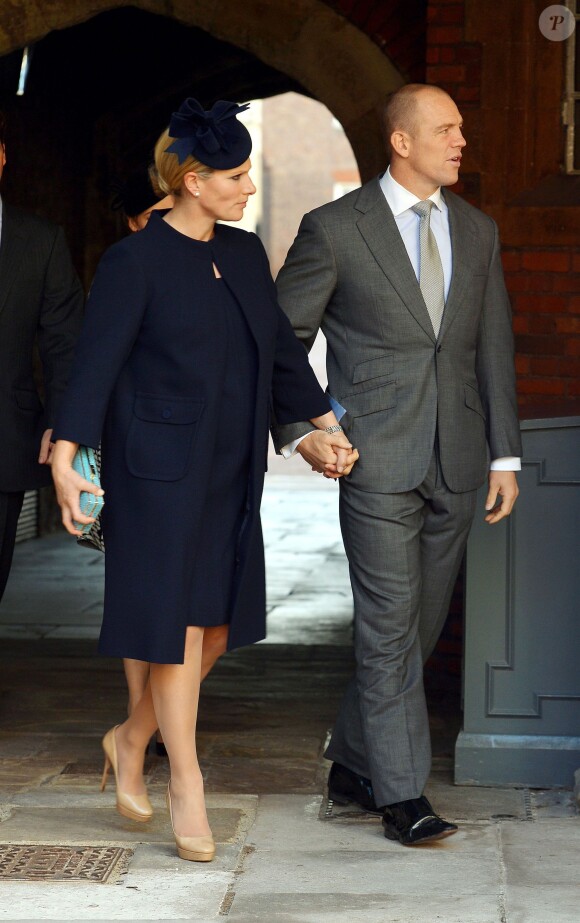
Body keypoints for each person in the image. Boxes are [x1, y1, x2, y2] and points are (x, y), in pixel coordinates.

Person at [50, 97, 357, 863]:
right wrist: (65, 455)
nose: (248, 186)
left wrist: (322, 424)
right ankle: (185, 780)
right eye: (235, 174)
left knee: (216, 627)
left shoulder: (247, 254)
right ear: (191, 180)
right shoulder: (135, 260)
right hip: (153, 470)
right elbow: (95, 364)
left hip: (227, 470)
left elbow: (280, 355)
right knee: (180, 628)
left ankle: (130, 737)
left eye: (248, 172)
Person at [273, 83, 521, 846]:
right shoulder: (336, 228)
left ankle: (352, 760)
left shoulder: (477, 231)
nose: (461, 141)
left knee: (418, 625)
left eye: (463, 127)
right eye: (446, 129)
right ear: (402, 142)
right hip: (373, 459)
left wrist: (505, 454)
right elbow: (284, 338)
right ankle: (401, 793)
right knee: (386, 629)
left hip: (459, 459)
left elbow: (492, 348)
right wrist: (302, 427)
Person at [0, 109, 83, 605]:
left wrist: (63, 421)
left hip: (5, 439)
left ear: (3, 157)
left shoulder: (40, 241)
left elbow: (65, 344)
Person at [110, 164, 175, 755]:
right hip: (125, 449)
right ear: (135, 222)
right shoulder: (125, 271)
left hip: (173, 455)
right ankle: (139, 715)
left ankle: (147, 725)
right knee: (137, 586)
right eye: (156, 215)